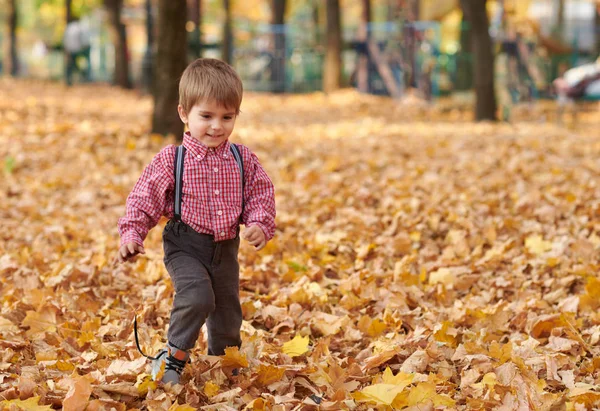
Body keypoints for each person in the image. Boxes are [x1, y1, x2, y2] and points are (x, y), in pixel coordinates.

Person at [116, 58, 276, 385]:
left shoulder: (242, 159)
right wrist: (132, 233)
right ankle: (172, 357)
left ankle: (225, 363)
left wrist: (259, 222)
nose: (217, 126)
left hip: (225, 248)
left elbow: (260, 193)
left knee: (228, 312)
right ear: (184, 114)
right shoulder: (172, 160)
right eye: (206, 116)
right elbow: (143, 198)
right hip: (185, 245)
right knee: (198, 296)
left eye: (226, 117)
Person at [63, 17, 91, 85]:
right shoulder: (80, 27)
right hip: (78, 49)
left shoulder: (68, 28)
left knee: (70, 65)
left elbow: (65, 40)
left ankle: (69, 80)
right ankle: (85, 77)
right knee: (79, 65)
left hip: (70, 50)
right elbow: (84, 40)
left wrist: (66, 49)